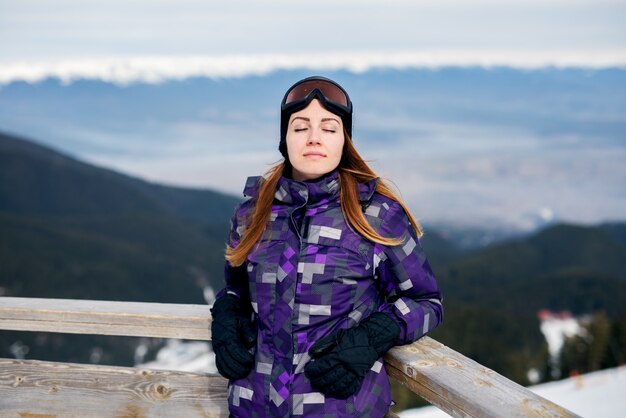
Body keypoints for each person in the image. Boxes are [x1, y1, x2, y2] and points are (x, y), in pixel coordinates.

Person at [211, 76, 443, 418]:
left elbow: (427, 302)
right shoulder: (252, 213)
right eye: (300, 127)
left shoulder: (375, 214)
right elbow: (235, 293)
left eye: (329, 128)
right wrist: (226, 319)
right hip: (252, 408)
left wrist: (371, 337)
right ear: (285, 139)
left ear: (344, 141)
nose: (314, 138)